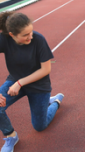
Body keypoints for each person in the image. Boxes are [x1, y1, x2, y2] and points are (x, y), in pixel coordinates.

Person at [0, 11, 64, 152]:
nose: (31, 36)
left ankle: (55, 102)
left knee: (40, 127)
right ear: (12, 35)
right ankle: (11, 136)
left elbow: (45, 69)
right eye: (25, 35)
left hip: (38, 86)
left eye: (31, 31)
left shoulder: (38, 40)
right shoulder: (4, 39)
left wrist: (20, 83)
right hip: (15, 81)